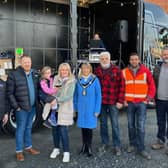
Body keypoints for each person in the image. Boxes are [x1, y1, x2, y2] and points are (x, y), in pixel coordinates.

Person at [122, 52, 156, 160]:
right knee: (130, 125)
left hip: (142, 103)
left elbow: (152, 86)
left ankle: (141, 148)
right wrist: (123, 99)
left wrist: (148, 99)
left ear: (139, 60)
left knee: (140, 126)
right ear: (129, 61)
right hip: (130, 103)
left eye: (136, 59)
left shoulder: (145, 71)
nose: (134, 61)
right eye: (132, 59)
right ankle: (132, 144)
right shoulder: (124, 72)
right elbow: (121, 87)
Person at [6, 55, 40, 161]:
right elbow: (9, 93)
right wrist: (16, 107)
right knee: (20, 129)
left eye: (29, 62)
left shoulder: (34, 74)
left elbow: (38, 88)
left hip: (32, 107)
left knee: (29, 127)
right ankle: (19, 151)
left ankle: (29, 147)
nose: (27, 64)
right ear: (21, 63)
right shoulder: (14, 75)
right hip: (21, 108)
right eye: (25, 62)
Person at [95, 51, 125, 156]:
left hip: (113, 101)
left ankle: (117, 145)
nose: (104, 60)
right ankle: (105, 143)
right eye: (102, 59)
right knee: (103, 124)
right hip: (101, 102)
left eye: (106, 58)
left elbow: (122, 86)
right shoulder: (97, 71)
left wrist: (120, 101)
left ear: (109, 59)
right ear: (100, 60)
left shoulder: (117, 70)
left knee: (115, 124)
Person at [74, 62, 101, 157]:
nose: (85, 70)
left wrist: (97, 110)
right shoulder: (78, 80)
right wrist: (75, 108)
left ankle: (89, 147)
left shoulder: (95, 80)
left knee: (89, 128)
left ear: (90, 69)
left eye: (87, 68)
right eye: (83, 68)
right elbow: (75, 95)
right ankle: (84, 146)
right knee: (83, 128)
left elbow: (99, 96)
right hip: (81, 108)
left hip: (91, 108)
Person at [49, 63, 76, 163]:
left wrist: (56, 99)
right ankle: (56, 149)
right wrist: (53, 98)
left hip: (65, 108)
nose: (63, 71)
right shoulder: (56, 79)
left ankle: (66, 152)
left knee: (63, 130)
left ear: (68, 71)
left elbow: (69, 95)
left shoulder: (72, 81)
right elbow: (53, 91)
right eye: (62, 70)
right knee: (54, 129)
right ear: (59, 70)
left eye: (65, 70)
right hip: (54, 109)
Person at [151, 46, 168, 154]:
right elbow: (153, 83)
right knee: (160, 122)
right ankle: (160, 141)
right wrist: (152, 96)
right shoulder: (157, 67)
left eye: (167, 54)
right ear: (161, 56)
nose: (166, 56)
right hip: (160, 100)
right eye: (164, 54)